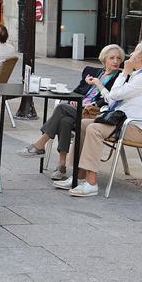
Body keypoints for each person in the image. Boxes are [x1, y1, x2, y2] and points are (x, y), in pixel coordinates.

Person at [52, 40, 142, 197]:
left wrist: (124, 73)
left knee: (94, 128)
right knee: (83, 124)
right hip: (125, 123)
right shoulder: (138, 75)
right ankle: (79, 176)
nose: (131, 54)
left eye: (136, 51)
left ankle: (91, 183)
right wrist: (100, 85)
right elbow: (113, 98)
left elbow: (116, 94)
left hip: (139, 128)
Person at [20, 44, 124, 180]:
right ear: (104, 59)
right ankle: (61, 166)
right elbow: (76, 91)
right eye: (112, 58)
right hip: (78, 109)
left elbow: (111, 100)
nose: (116, 61)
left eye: (118, 58)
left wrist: (95, 93)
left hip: (94, 114)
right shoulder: (92, 71)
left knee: (61, 108)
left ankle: (40, 143)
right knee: (65, 120)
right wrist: (74, 100)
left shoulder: (121, 78)